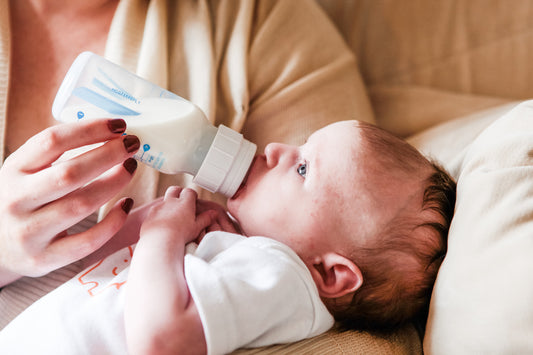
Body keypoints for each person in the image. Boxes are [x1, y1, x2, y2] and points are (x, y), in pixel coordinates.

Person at [0, 0, 373, 325]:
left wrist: (155, 237)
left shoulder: (266, 24)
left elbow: (334, 256)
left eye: (301, 165)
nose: (273, 148)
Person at [0, 120, 456, 355]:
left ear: (330, 273)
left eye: (302, 168)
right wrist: (152, 227)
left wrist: (164, 233)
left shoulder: (283, 275)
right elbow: (110, 278)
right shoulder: (247, 256)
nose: (276, 148)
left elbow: (160, 341)